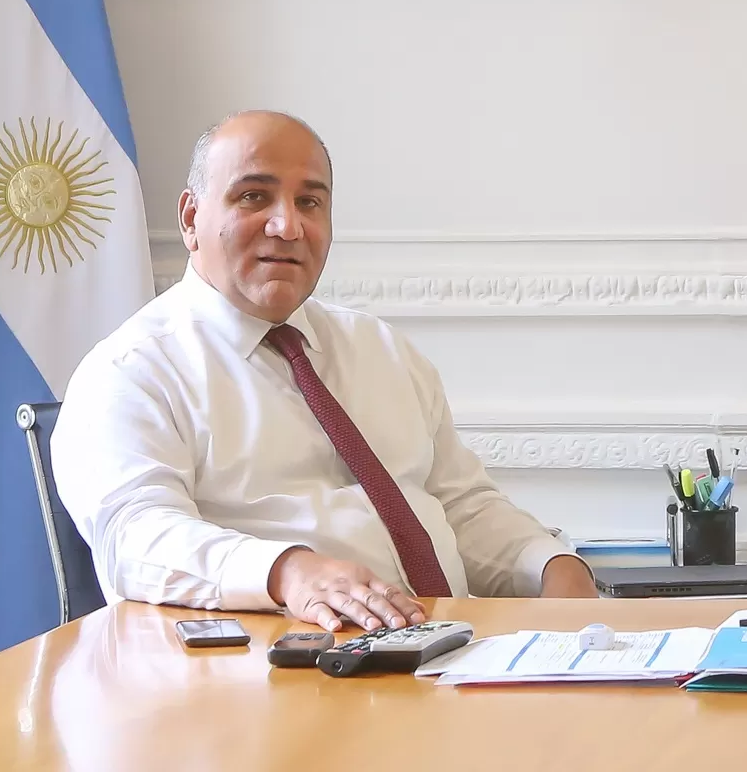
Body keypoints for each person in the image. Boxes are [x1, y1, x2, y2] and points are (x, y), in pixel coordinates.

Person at [52, 110, 597, 632]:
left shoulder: (381, 349)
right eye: (253, 196)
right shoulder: (132, 372)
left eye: (309, 202)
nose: (288, 226)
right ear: (192, 218)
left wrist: (548, 564)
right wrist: (287, 572)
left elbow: (460, 506)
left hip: (448, 654)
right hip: (270, 680)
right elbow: (135, 539)